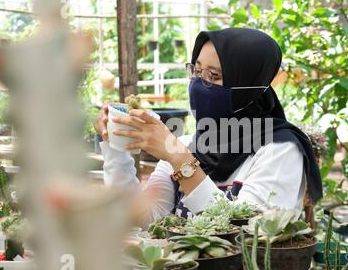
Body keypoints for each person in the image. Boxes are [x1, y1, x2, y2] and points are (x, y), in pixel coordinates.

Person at [94, 27, 322, 228]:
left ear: (248, 88)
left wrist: (181, 161)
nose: (199, 84)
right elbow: (142, 220)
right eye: (196, 71)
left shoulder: (279, 151)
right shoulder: (188, 145)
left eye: (213, 75)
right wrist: (115, 143)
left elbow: (247, 234)